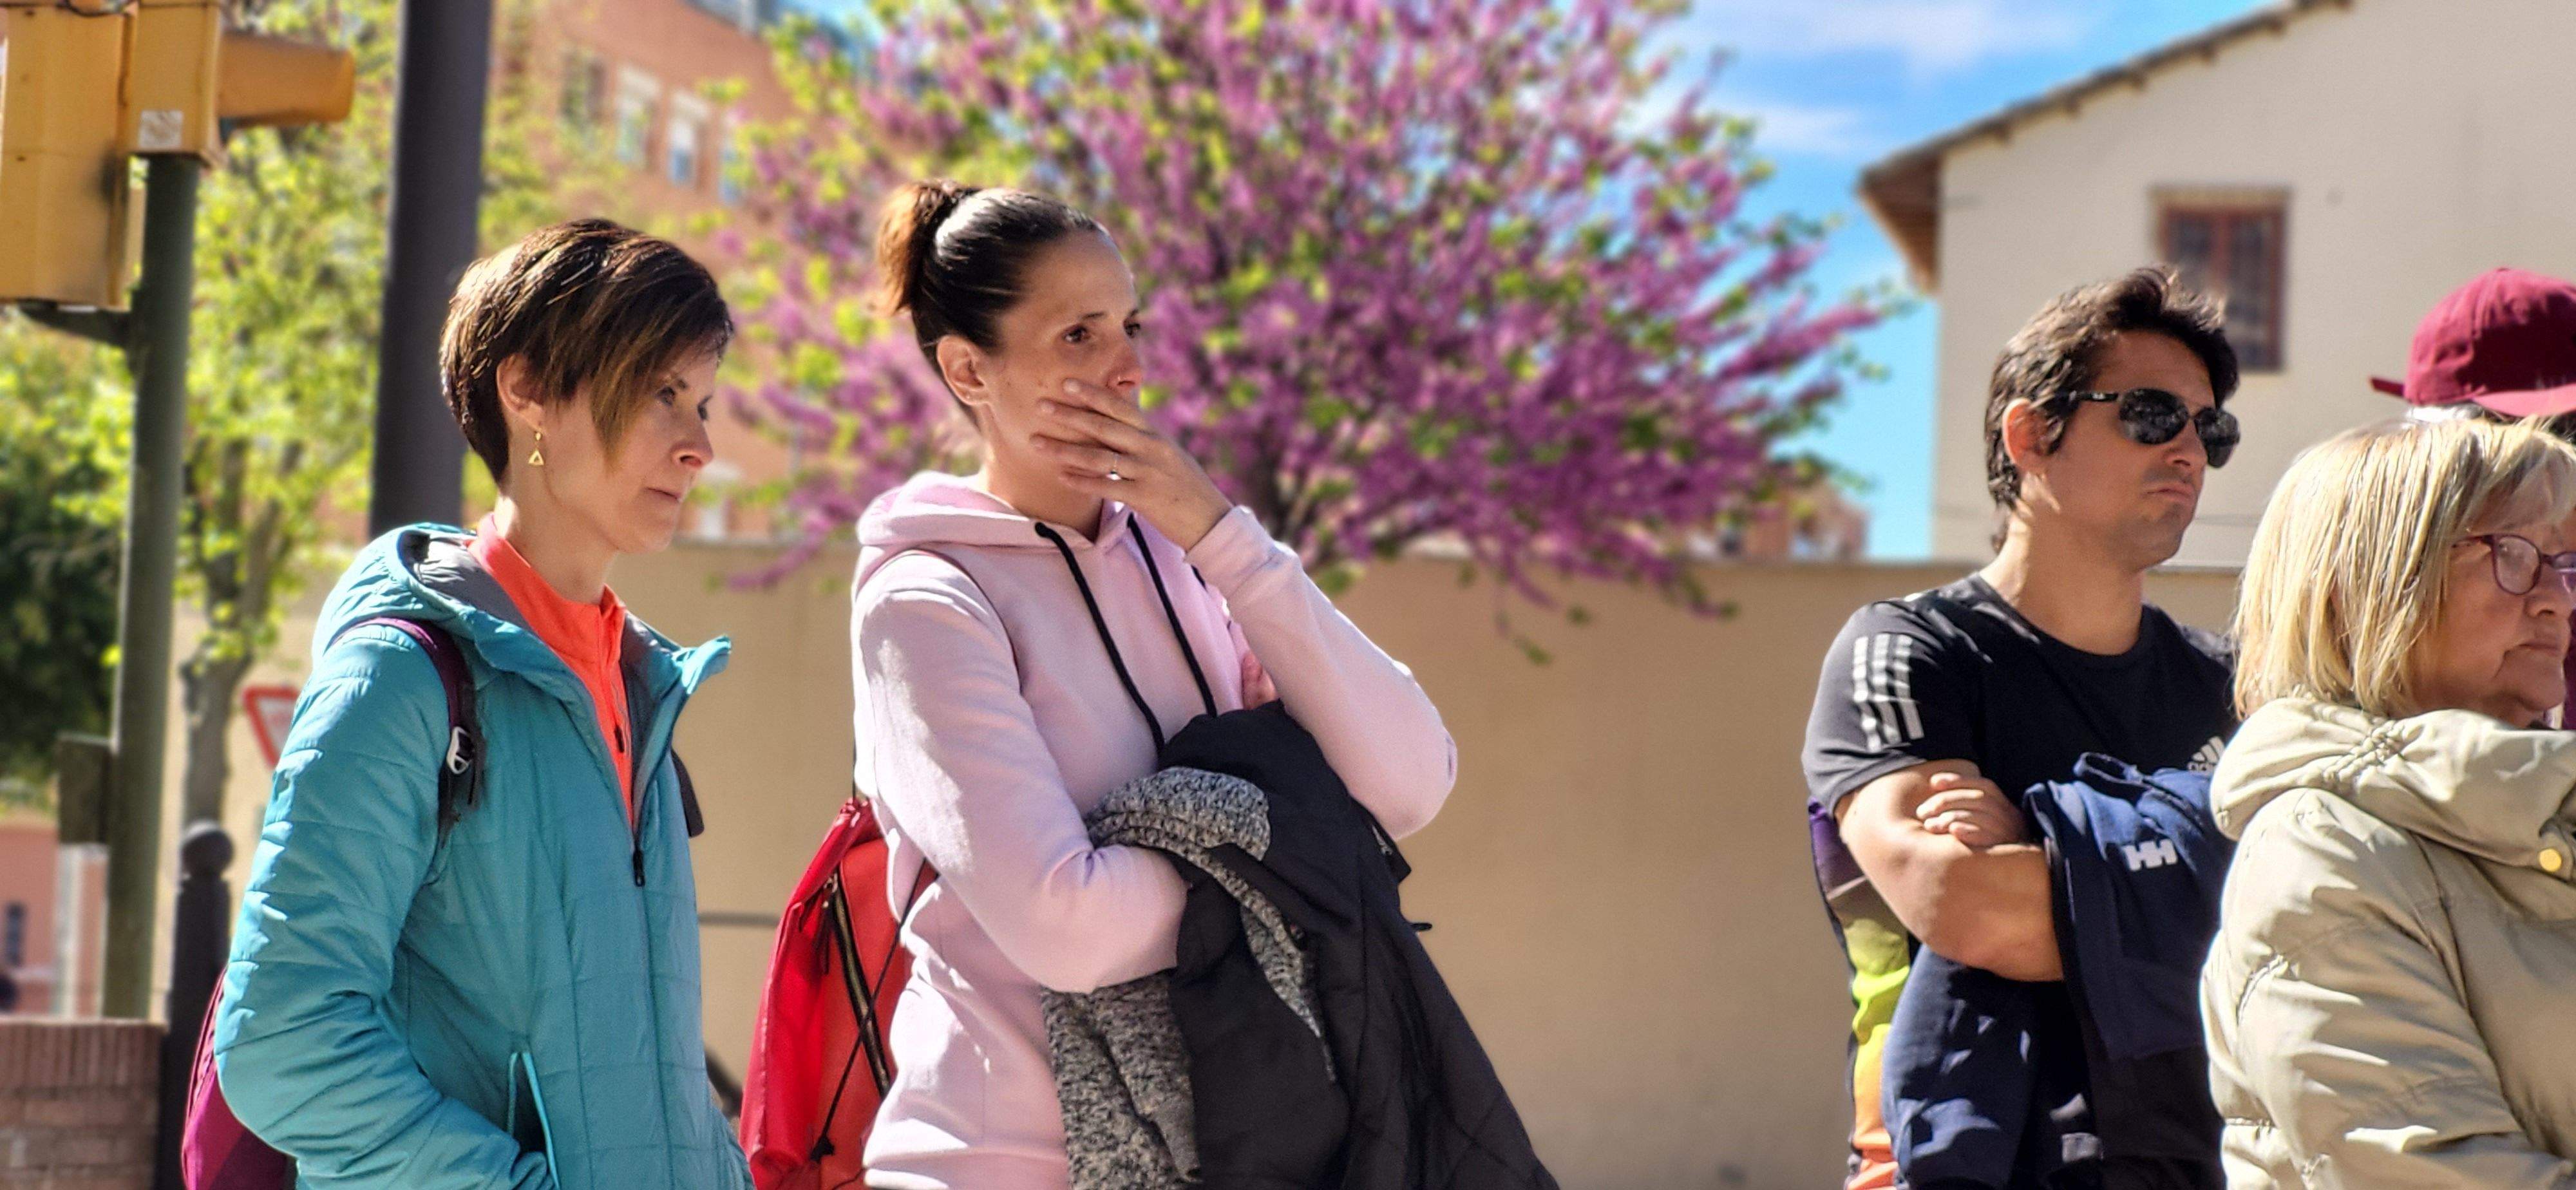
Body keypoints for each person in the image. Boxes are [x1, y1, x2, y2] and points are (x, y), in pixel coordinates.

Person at [844, 180, 1458, 1189]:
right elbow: (1065, 926)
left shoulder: (1192, 565)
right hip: (996, 1163)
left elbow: (1410, 781)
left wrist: (1225, 537)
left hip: (1245, 1145)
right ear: (968, 369)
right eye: (1078, 335)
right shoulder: (924, 600)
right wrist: (1299, 853)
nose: (1128, 368)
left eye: (1127, 325)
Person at [209, 220, 753, 1189]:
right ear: (528, 391)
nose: (699, 445)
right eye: (663, 393)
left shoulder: (644, 691)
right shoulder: (401, 679)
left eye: (702, 402)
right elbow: (284, 1041)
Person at [1801, 267, 2242, 1188]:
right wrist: (2203, 873)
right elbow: (1966, 905)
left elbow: (2316, 912)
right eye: (2153, 415)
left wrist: (2046, 847)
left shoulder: (2231, 684)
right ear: (2033, 433)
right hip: (1953, 1163)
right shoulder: (1909, 650)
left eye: (2212, 428)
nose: (2191, 452)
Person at [2204, 416, 2576, 1184]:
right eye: (2513, 555)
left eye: (2565, 564)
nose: (2557, 602)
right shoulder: (2321, 851)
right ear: (2364, 587)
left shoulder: (2537, 810)